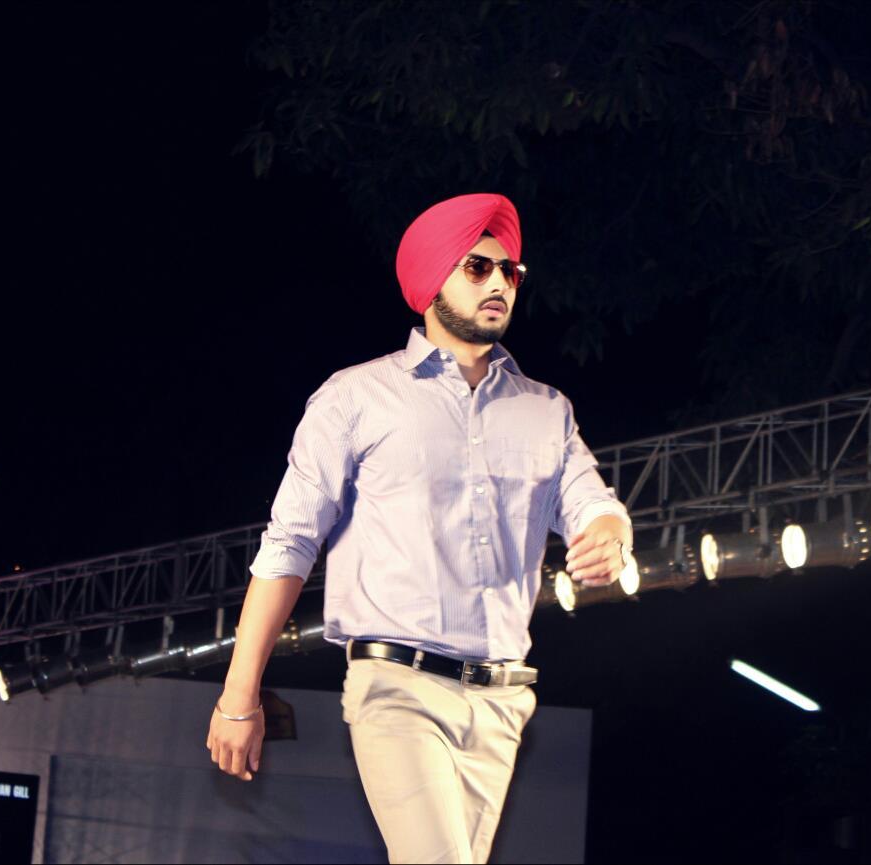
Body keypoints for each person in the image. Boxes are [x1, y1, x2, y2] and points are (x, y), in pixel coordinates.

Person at [205, 192, 632, 864]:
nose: (499, 282)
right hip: (397, 686)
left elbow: (592, 501)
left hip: (502, 701)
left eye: (510, 271)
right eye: (478, 267)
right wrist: (239, 695)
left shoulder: (546, 410)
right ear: (432, 280)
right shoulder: (356, 396)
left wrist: (609, 533)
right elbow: (289, 543)